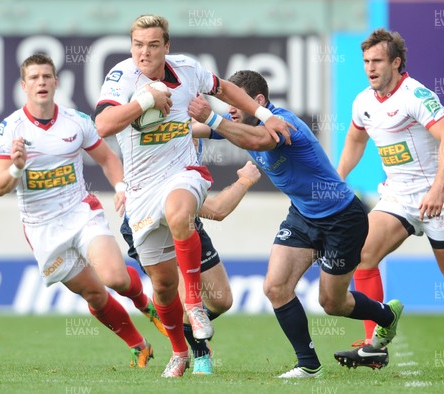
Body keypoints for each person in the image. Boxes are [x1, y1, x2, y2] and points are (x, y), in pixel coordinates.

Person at [93, 15, 292, 378]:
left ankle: (196, 308)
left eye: (153, 45)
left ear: (167, 46)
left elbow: (226, 92)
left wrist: (263, 116)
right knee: (166, 289)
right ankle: (181, 350)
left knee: (180, 212)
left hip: (182, 178)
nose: (145, 52)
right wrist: (144, 101)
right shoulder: (121, 78)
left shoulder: (189, 71)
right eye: (138, 45)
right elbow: (103, 126)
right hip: (140, 196)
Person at [188, 69, 404, 379]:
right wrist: (166, 126)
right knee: (275, 287)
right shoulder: (241, 124)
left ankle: (386, 313)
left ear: (259, 100)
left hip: (342, 218)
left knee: (332, 302)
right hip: (303, 216)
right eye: (226, 101)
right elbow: (203, 130)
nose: (230, 107)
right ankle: (309, 364)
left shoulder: (282, 124)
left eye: (236, 101)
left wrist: (211, 118)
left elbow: (259, 141)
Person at [333, 28, 444, 369]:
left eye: (378, 61)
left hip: (438, 195)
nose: (370, 68)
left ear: (396, 62)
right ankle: (375, 345)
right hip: (397, 196)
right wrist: (336, 179)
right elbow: (356, 141)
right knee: (363, 255)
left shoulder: (416, 95)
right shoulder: (363, 102)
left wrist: (436, 187)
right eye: (366, 61)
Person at [0, 53, 159, 369]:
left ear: (56, 82)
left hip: (80, 214)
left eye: (46, 76)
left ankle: (147, 306)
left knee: (115, 278)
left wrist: (120, 189)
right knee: (95, 296)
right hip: (42, 229)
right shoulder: (9, 129)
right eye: (34, 78)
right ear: (23, 85)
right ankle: (140, 346)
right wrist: (15, 169)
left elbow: (109, 159)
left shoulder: (77, 122)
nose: (41, 82)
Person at [120, 160, 261, 375]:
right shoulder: (166, 143)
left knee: (221, 300)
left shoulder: (187, 168)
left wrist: (245, 179)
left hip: (185, 221)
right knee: (185, 299)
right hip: (147, 225)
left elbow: (217, 210)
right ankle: (196, 355)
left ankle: (173, 320)